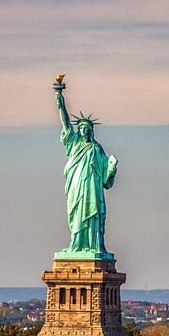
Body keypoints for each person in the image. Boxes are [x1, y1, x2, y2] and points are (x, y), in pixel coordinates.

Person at [53, 74, 118, 256]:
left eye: (86, 128)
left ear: (90, 130)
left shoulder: (97, 148)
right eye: (80, 127)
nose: (83, 130)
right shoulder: (72, 143)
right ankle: (77, 245)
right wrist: (59, 99)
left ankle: (93, 246)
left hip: (92, 188)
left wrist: (111, 168)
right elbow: (65, 123)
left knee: (92, 215)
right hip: (76, 186)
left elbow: (106, 178)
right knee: (76, 216)